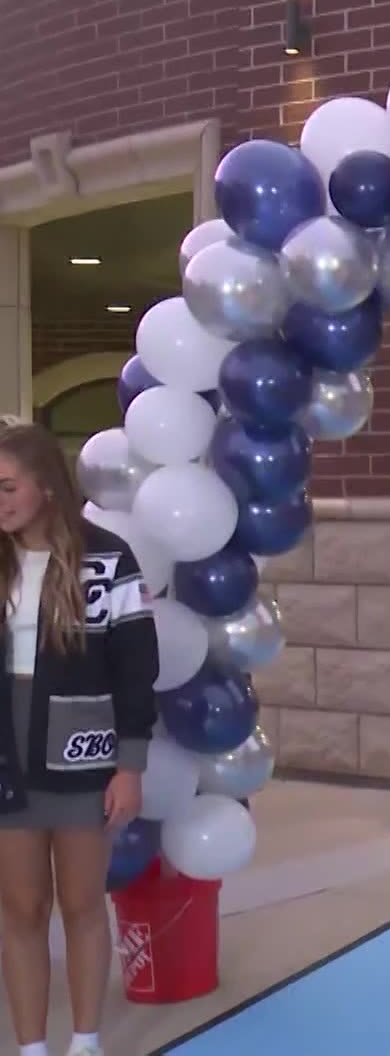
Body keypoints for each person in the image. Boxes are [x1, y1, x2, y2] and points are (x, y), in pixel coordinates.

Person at [0, 422, 155, 1056]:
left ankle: (85, 1041)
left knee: (84, 906)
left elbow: (135, 668)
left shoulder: (109, 558)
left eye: (7, 487)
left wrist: (130, 764)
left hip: (84, 764)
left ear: (45, 487)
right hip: (9, 765)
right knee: (20, 911)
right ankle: (32, 1046)